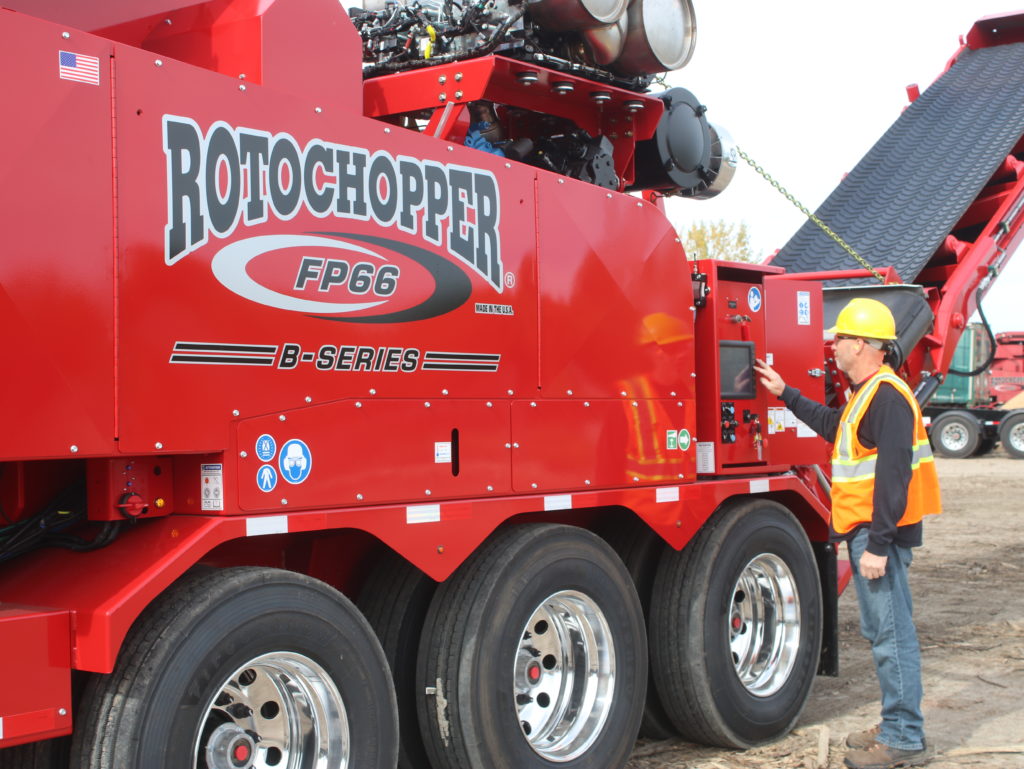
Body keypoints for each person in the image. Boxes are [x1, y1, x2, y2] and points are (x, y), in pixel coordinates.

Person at [753, 297, 941, 769]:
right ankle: (897, 723)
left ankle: (904, 737)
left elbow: (895, 476)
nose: (832, 346)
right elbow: (834, 427)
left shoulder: (888, 397)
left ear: (862, 344)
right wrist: (786, 393)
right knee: (882, 630)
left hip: (881, 537)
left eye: (839, 339)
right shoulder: (867, 395)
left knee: (891, 635)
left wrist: (877, 544)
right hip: (868, 533)